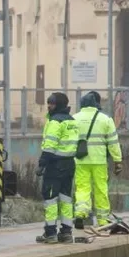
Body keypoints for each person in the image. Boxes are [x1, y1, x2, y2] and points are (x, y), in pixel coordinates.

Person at [72, 91, 122, 229]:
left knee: (82, 188)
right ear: (95, 105)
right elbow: (113, 142)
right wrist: (118, 160)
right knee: (101, 189)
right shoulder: (105, 119)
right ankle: (103, 220)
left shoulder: (74, 119)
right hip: (99, 161)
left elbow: (69, 141)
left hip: (81, 161)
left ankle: (81, 214)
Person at [37, 92, 79, 243]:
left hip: (54, 165)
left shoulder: (55, 122)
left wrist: (42, 164)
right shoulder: (72, 121)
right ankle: (66, 232)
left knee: (50, 199)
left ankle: (50, 233)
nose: (49, 106)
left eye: (52, 104)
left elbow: (49, 146)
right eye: (48, 103)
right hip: (69, 165)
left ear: (59, 105)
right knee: (66, 199)